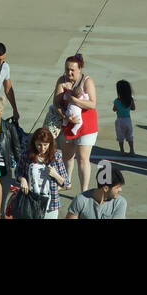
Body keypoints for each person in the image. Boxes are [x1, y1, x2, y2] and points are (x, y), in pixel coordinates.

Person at [55, 53, 99, 192]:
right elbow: (56, 104)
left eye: (72, 70)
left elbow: (92, 104)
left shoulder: (87, 81)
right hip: (67, 124)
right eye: (67, 69)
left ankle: (84, 190)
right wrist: (65, 117)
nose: (69, 72)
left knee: (82, 159)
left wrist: (74, 100)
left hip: (86, 126)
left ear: (80, 68)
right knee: (67, 156)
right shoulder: (61, 81)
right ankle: (66, 182)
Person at [19, 127, 69, 219]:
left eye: (45, 145)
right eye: (39, 145)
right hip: (31, 201)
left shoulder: (56, 157)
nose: (42, 148)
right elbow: (19, 172)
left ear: (50, 143)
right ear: (34, 143)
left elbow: (67, 184)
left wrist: (55, 175)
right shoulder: (26, 155)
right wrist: (22, 179)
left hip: (50, 204)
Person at [113, 79, 136, 156]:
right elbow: (133, 108)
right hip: (128, 120)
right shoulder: (130, 100)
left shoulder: (116, 101)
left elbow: (114, 109)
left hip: (119, 120)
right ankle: (132, 151)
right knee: (129, 136)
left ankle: (122, 151)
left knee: (120, 136)